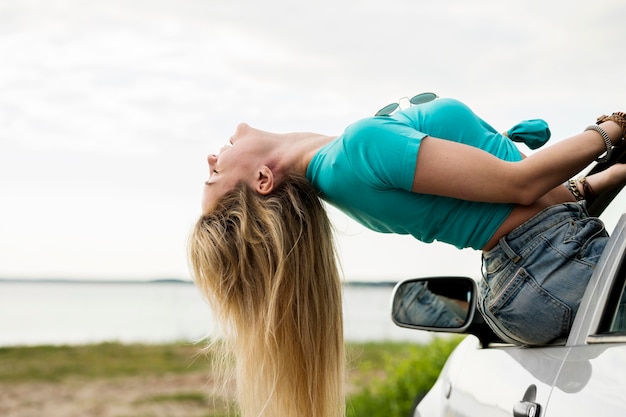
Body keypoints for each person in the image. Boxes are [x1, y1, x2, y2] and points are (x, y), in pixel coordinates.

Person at [188, 95, 626, 417]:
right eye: (215, 171)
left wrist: (593, 179)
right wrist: (612, 127)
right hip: (549, 264)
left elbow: (508, 205)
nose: (212, 155)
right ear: (263, 179)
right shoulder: (356, 154)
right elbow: (520, 187)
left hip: (537, 270)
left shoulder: (343, 180)